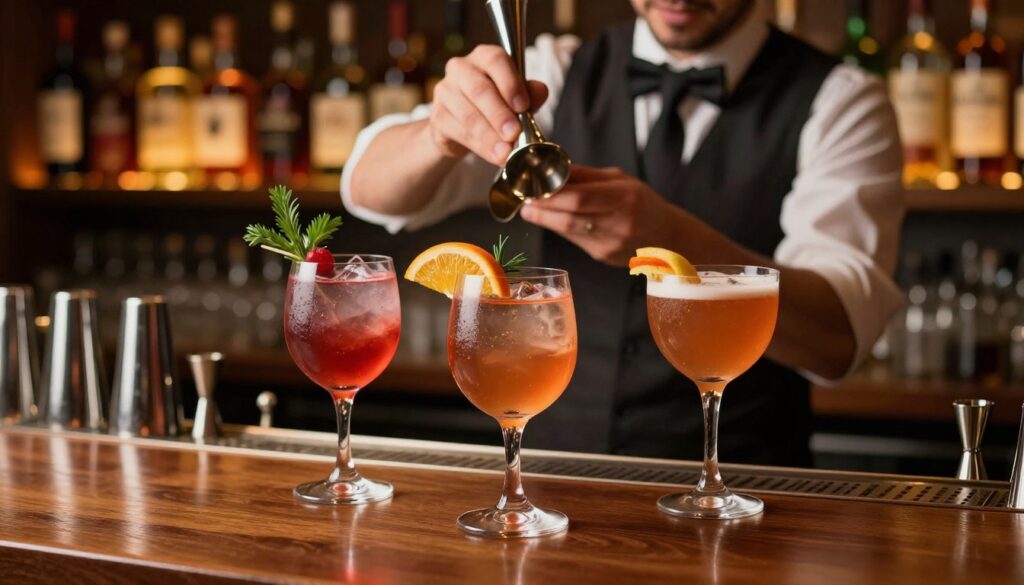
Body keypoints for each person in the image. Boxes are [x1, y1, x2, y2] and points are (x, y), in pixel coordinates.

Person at [341, 0, 905, 466]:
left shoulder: (842, 100)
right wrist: (440, 134)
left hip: (746, 493)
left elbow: (839, 337)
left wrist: (672, 238)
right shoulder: (555, 70)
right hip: (556, 488)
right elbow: (367, 186)